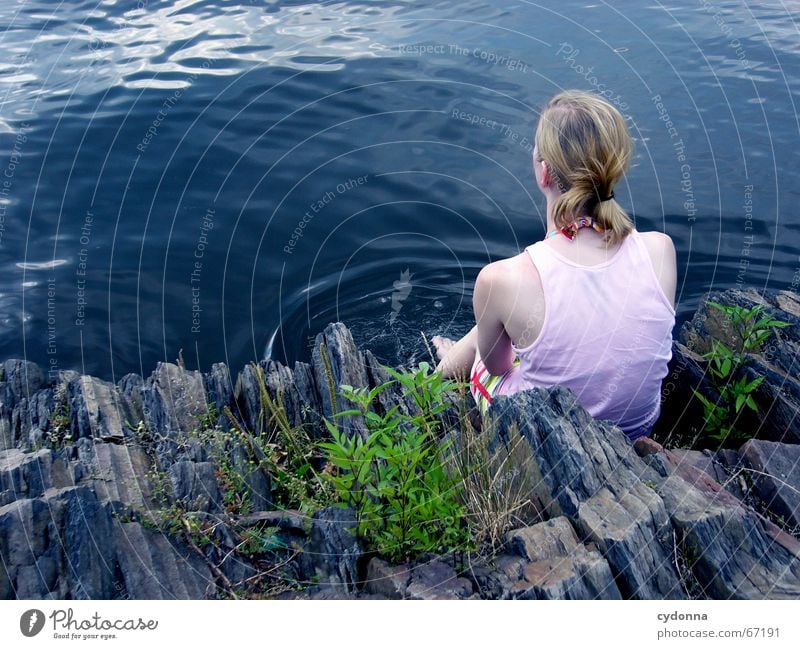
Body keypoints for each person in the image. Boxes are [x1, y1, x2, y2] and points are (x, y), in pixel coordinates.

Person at [432, 89, 677, 441]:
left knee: (493, 330)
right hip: (639, 424)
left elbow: (500, 368)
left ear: (544, 172)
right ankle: (465, 349)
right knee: (514, 312)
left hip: (554, 438)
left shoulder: (503, 278)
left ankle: (440, 372)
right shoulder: (660, 249)